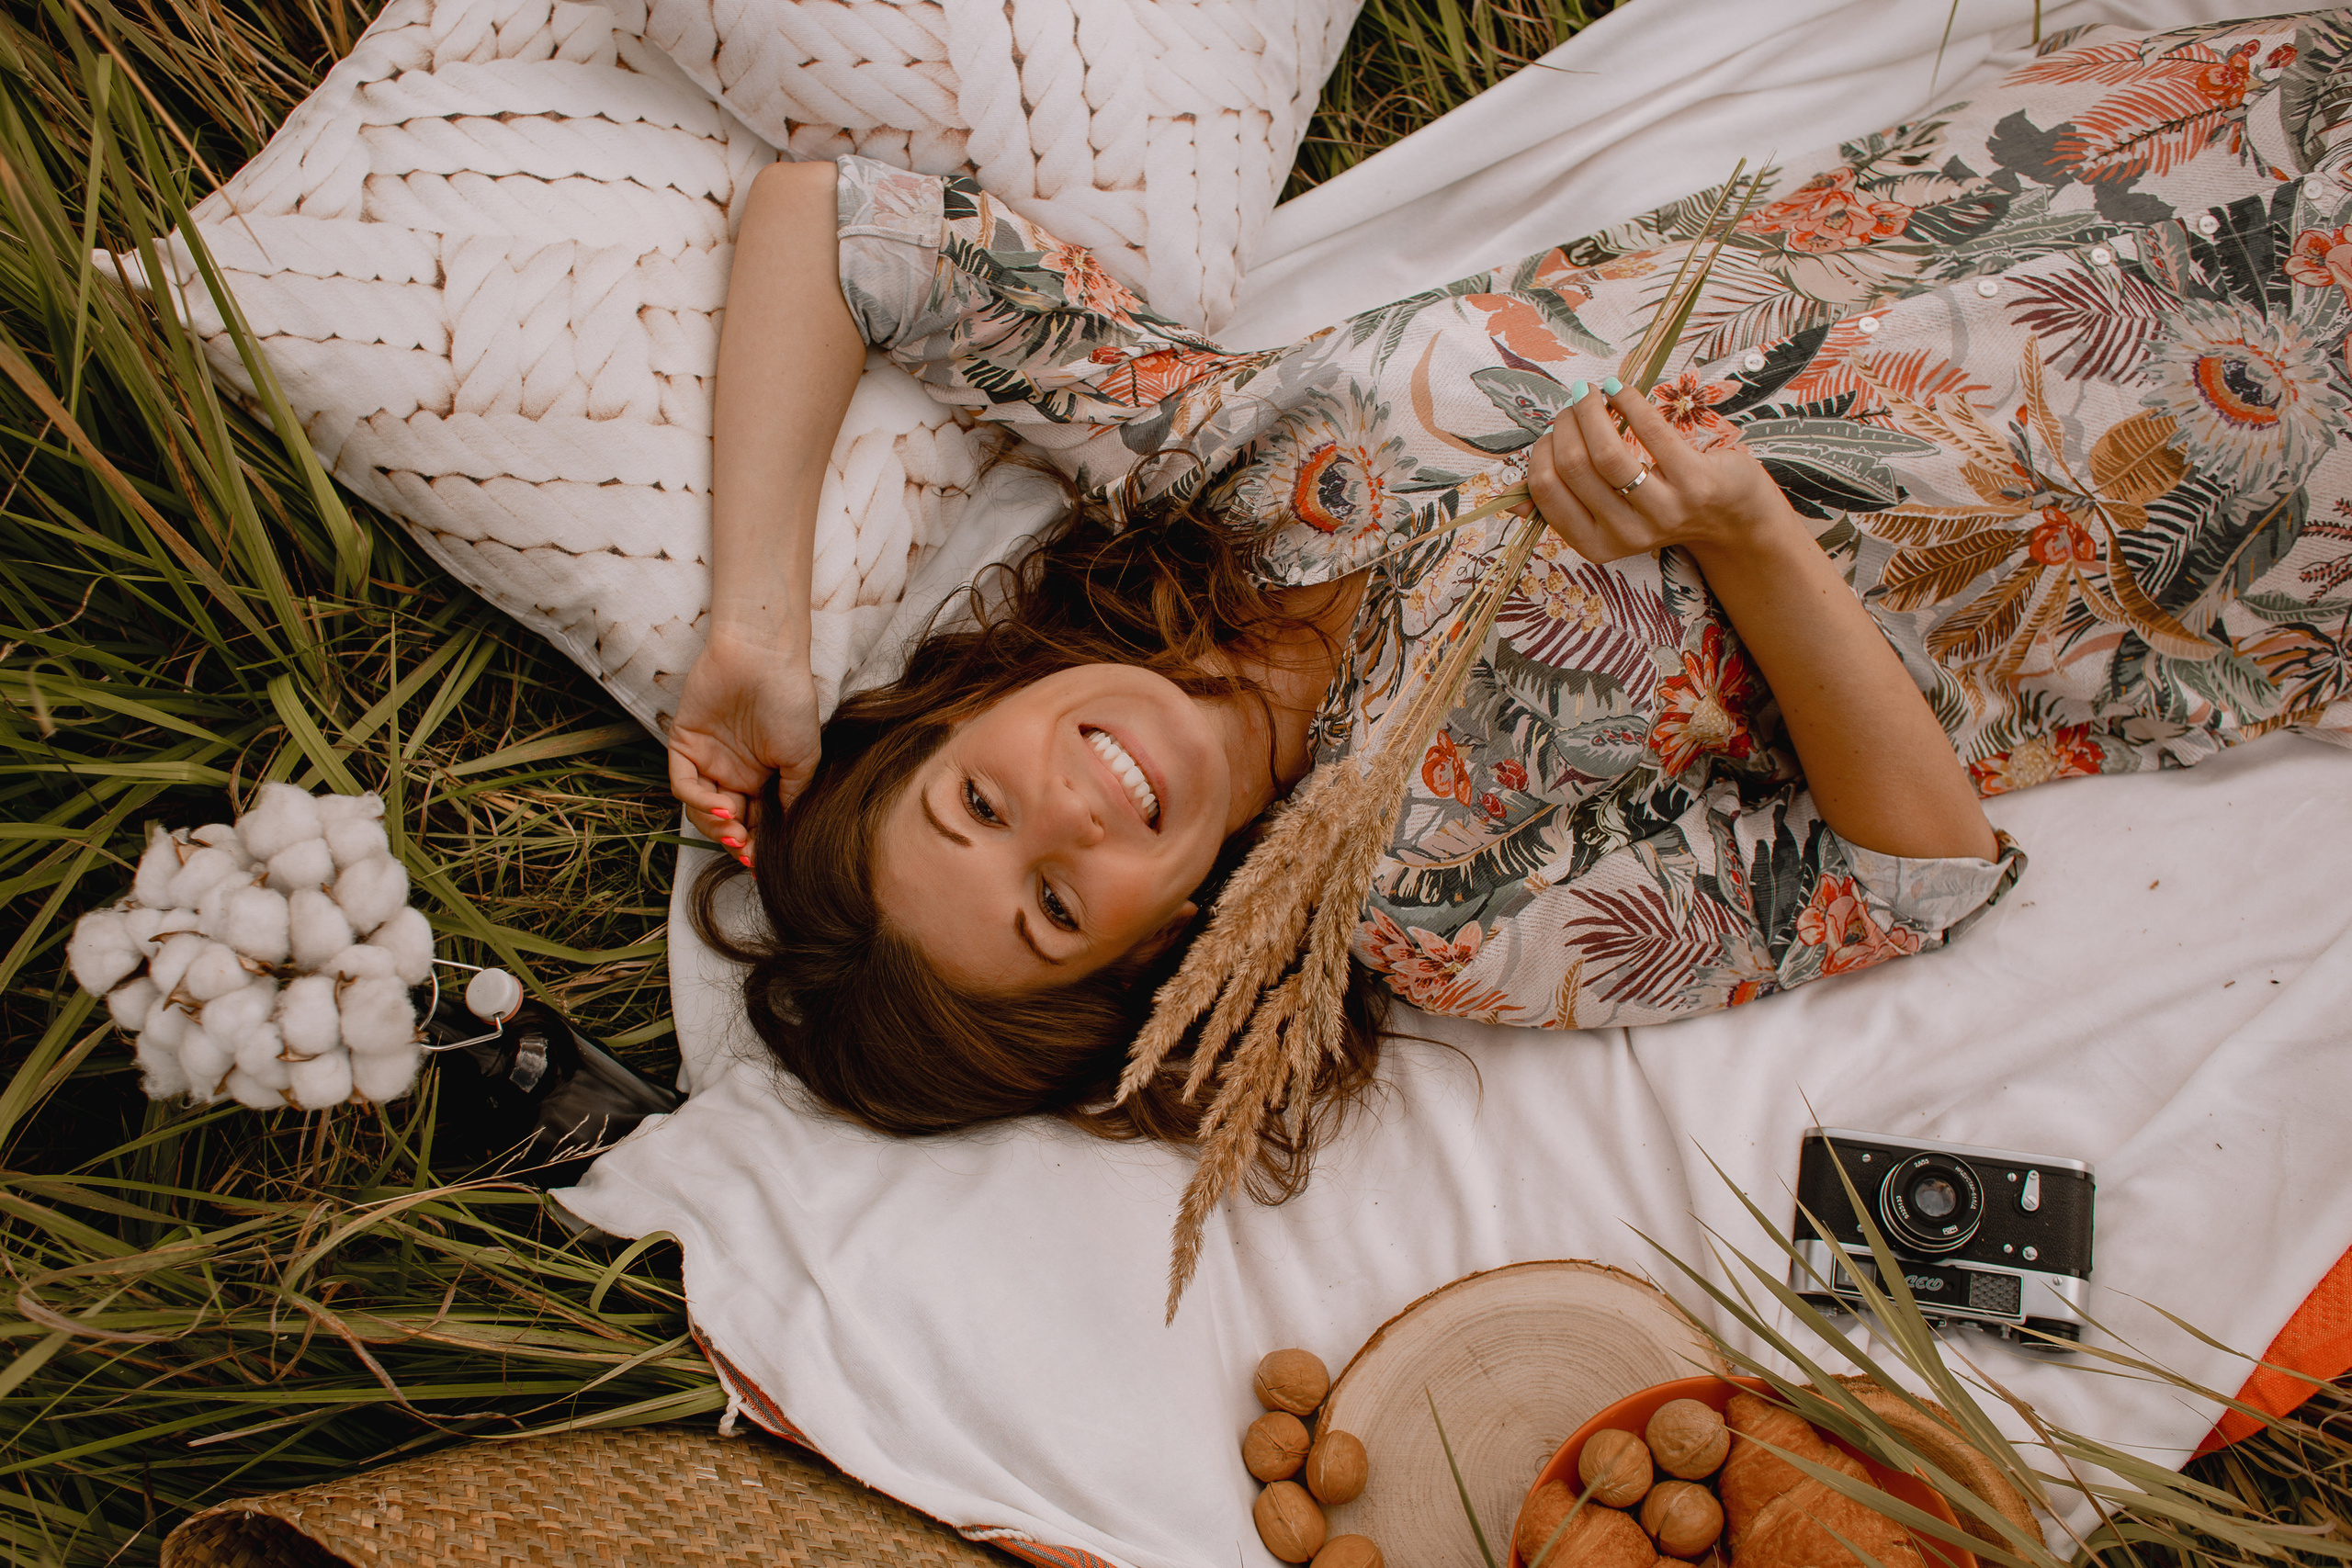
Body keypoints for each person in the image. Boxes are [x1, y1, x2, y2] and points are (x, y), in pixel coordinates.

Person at [667, 12, 2352, 1180]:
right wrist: (1745, 540)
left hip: (2127, 169)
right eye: (1054, 906)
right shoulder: (1444, 911)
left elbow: (834, 228)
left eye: (977, 798)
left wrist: (755, 638)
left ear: (968, 707)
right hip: (2245, 493)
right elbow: (1918, 870)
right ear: (1146, 955)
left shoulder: (1206, 465)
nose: (1072, 814)